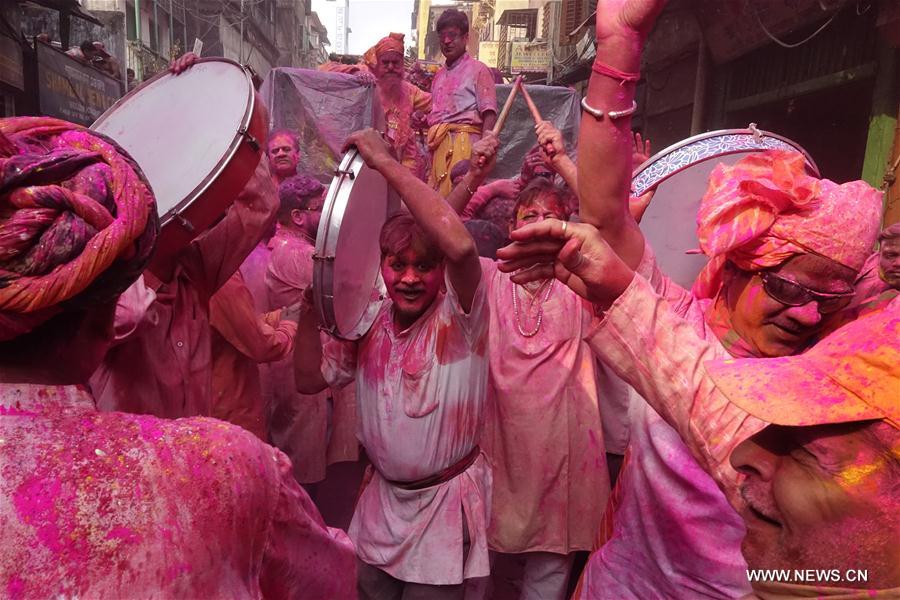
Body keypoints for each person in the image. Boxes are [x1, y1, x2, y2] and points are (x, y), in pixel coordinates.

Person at [498, 0, 884, 597]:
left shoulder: (830, 381)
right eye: (785, 287)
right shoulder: (674, 316)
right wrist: (619, 46)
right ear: (732, 267)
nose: (807, 313)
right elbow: (604, 215)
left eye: (827, 300)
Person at [0, 116, 356, 599]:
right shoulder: (119, 298)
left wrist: (229, 116)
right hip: (144, 488)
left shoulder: (194, 269)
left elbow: (258, 203)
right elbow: (331, 578)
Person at [498, 217, 900, 597]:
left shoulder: (837, 577)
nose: (743, 455)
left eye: (807, 454)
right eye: (790, 289)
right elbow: (702, 398)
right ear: (732, 272)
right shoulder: (687, 319)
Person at [294, 128, 489, 599]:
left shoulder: (462, 317)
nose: (408, 278)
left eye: (423, 266)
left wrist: (384, 164)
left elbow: (460, 247)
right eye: (395, 264)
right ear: (379, 265)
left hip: (442, 509)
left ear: (440, 273)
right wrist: (307, 313)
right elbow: (306, 380)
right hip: (380, 507)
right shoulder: (365, 321)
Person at [90, 53, 278, 420]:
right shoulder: (106, 289)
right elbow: (123, 318)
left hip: (190, 467)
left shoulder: (195, 270)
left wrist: (222, 107)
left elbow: (259, 204)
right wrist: (167, 111)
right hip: (130, 471)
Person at [480, 177, 610, 600]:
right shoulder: (487, 278)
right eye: (529, 216)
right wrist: (480, 181)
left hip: (564, 450)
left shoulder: (585, 286)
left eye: (552, 217)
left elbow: (613, 233)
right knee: (474, 563)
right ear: (511, 227)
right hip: (497, 445)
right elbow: (444, 235)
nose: (539, 224)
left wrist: (569, 168)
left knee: (549, 568)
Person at [266, 175, 359, 485]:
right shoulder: (297, 253)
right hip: (301, 368)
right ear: (298, 216)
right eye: (322, 209)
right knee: (302, 471)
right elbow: (349, 291)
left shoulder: (291, 247)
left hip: (298, 368)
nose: (328, 217)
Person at [209, 270, 298, 440]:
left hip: (216, 406)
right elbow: (261, 346)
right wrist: (289, 327)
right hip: (229, 413)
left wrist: (279, 317)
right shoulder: (221, 275)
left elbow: (241, 322)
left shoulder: (211, 264)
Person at [427, 9, 498, 196]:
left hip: (466, 147)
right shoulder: (438, 76)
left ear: (466, 38)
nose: (447, 41)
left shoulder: (479, 70)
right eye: (442, 36)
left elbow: (489, 113)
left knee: (461, 203)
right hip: (439, 148)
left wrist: (483, 150)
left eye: (452, 35)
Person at [363, 33, 433, 178]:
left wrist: (424, 118)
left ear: (402, 65)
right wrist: (357, 75)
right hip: (370, 164)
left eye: (395, 63)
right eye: (385, 63)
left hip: (405, 165)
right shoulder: (367, 85)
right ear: (377, 64)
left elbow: (438, 105)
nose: (390, 67)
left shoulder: (410, 91)